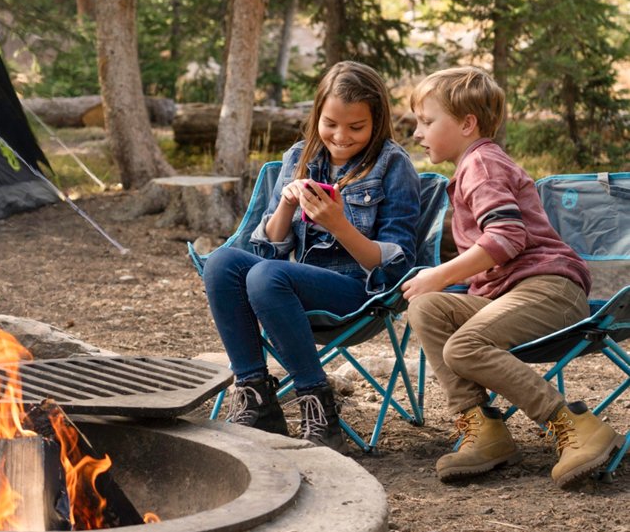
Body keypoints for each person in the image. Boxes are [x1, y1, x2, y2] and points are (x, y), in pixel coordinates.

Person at [402, 66, 619, 488]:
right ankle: (484, 429)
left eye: (427, 121)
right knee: (426, 308)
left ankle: (575, 424)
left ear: (467, 124)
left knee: (464, 345)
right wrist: (434, 285)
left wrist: (441, 275)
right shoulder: (471, 166)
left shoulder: (481, 163)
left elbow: (507, 237)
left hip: (549, 288)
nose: (416, 132)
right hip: (508, 295)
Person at [202, 60, 422, 448]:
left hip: (359, 292)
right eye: (330, 123)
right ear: (317, 114)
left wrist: (339, 224)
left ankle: (317, 406)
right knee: (222, 263)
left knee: (268, 275)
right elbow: (268, 246)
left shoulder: (392, 165)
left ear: (377, 121)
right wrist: (286, 204)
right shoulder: (300, 156)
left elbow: (393, 267)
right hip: (287, 289)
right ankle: (256, 398)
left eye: (356, 127)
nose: (340, 136)